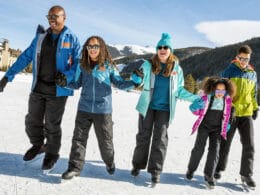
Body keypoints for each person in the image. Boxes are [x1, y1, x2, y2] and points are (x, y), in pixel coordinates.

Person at [0, 5, 81, 172]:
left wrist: (67, 76)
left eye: (55, 16)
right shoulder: (40, 37)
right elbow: (25, 57)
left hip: (58, 90)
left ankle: (52, 153)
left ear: (64, 18)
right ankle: (38, 145)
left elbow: (78, 64)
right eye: (49, 16)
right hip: (38, 87)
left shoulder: (72, 39)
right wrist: (8, 76)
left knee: (52, 124)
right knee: (32, 121)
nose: (52, 19)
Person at [60, 35, 142, 180]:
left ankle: (110, 162)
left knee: (105, 142)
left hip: (103, 110)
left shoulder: (108, 66)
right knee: (78, 139)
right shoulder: (82, 65)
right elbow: (77, 84)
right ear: (87, 48)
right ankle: (74, 168)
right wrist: (64, 82)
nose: (92, 49)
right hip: (84, 108)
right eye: (90, 46)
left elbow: (120, 83)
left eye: (95, 46)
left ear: (101, 48)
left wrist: (135, 82)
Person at [130, 33, 204, 183]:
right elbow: (139, 80)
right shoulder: (148, 64)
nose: (162, 49)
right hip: (147, 106)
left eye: (166, 47)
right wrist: (136, 78)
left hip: (165, 109)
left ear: (170, 50)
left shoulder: (177, 69)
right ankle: (137, 165)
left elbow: (179, 90)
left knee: (160, 139)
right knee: (143, 136)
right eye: (160, 47)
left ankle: (155, 171)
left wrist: (195, 97)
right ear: (157, 49)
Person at [214, 45, 258, 189]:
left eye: (246, 59)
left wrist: (255, 107)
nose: (244, 61)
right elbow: (221, 91)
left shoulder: (252, 73)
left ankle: (246, 174)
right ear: (237, 57)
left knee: (249, 145)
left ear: (249, 58)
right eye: (241, 58)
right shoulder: (229, 71)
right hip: (230, 113)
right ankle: (218, 168)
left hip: (246, 113)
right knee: (225, 143)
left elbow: (253, 94)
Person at [185, 77, 236, 189]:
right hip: (204, 126)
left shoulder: (227, 101)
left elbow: (231, 113)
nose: (220, 93)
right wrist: (195, 106)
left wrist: (228, 124)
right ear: (213, 89)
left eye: (222, 91)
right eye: (218, 90)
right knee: (199, 149)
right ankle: (191, 169)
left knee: (215, 151)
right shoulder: (207, 98)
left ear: (226, 91)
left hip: (217, 129)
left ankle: (209, 176)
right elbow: (195, 110)